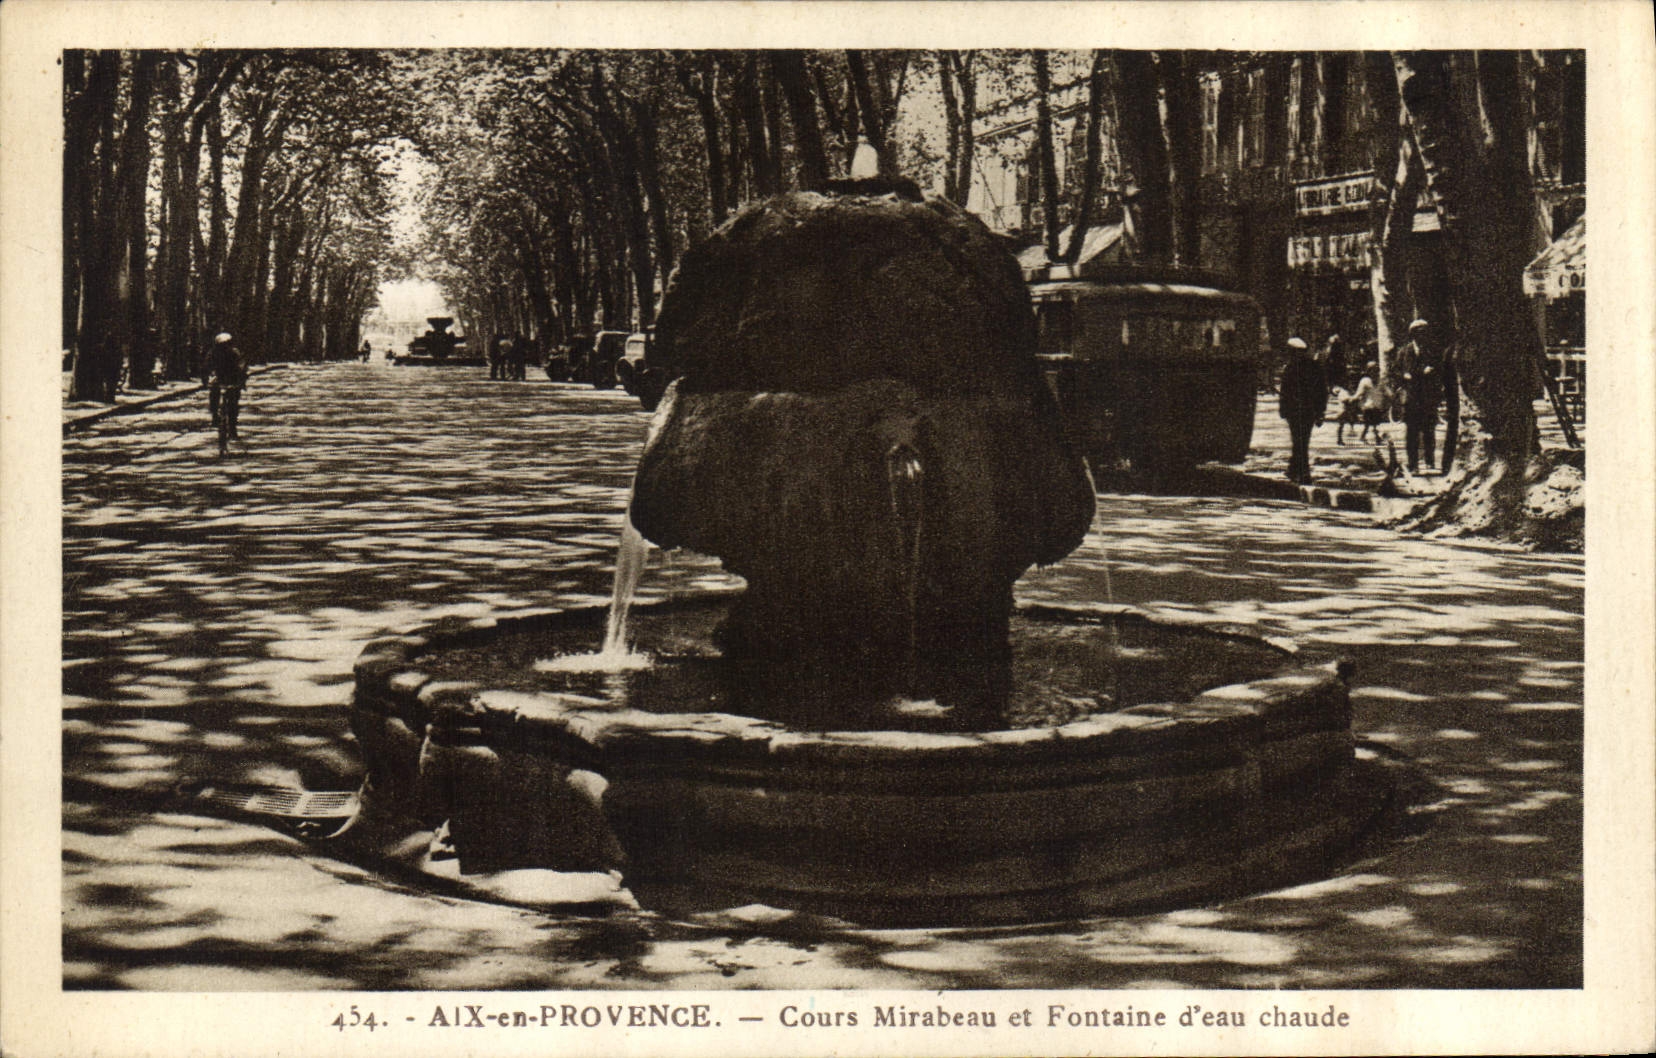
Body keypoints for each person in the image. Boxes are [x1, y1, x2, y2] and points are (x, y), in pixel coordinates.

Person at [1278, 336, 1328, 484]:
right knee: (1302, 440)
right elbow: (1322, 392)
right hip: (1309, 411)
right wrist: (1321, 412)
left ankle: (1303, 473)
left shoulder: (1291, 368)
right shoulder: (1315, 367)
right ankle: (1294, 470)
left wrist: (1283, 409)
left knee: (1299, 441)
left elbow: (1285, 391)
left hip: (1296, 411)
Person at [1398, 318, 1445, 474]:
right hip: (1411, 398)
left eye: (1424, 333)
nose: (1421, 336)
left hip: (1427, 398)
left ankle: (1430, 461)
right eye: (1418, 333)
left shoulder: (1432, 351)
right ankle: (1413, 464)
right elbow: (1395, 371)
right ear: (1412, 334)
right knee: (1411, 433)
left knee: (1429, 431)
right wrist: (1403, 376)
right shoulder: (1404, 351)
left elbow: (1439, 372)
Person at [201, 332, 248, 440]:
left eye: (226, 344)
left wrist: (241, 381)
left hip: (232, 380)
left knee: (233, 404)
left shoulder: (235, 353)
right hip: (219, 379)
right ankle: (214, 415)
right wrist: (205, 380)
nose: (224, 346)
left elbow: (242, 367)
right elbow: (205, 367)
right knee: (213, 394)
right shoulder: (212, 353)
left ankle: (232, 428)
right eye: (222, 344)